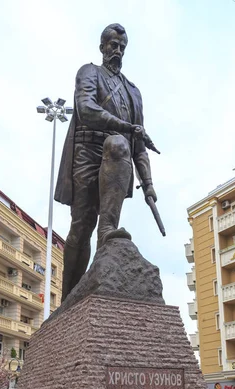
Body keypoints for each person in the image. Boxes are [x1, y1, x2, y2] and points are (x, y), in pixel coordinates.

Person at [55, 23, 158, 301]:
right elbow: (85, 108)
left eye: (122, 46)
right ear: (102, 47)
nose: (118, 50)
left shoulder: (133, 92)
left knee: (119, 143)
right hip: (86, 151)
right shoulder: (90, 72)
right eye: (113, 44)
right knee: (81, 225)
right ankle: (69, 297)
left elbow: (138, 143)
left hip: (118, 154)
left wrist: (147, 184)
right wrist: (125, 126)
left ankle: (108, 232)